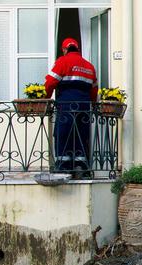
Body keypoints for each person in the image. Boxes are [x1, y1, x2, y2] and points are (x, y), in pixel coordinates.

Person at [45, 38, 98, 176]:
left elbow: (50, 82)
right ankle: (81, 164)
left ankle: (63, 165)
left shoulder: (63, 62)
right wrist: (92, 104)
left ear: (64, 49)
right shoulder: (89, 66)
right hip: (84, 107)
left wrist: (46, 97)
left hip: (67, 105)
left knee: (63, 133)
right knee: (81, 134)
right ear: (77, 48)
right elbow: (94, 89)